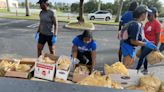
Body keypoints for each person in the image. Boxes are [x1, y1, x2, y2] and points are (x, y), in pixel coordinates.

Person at [136, 7, 161, 74]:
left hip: (151, 44)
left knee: (142, 56)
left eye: (149, 15)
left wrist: (155, 46)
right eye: (147, 14)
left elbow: (158, 36)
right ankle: (145, 69)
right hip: (144, 43)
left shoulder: (157, 24)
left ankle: (136, 70)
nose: (148, 16)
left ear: (153, 14)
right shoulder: (147, 23)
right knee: (145, 57)